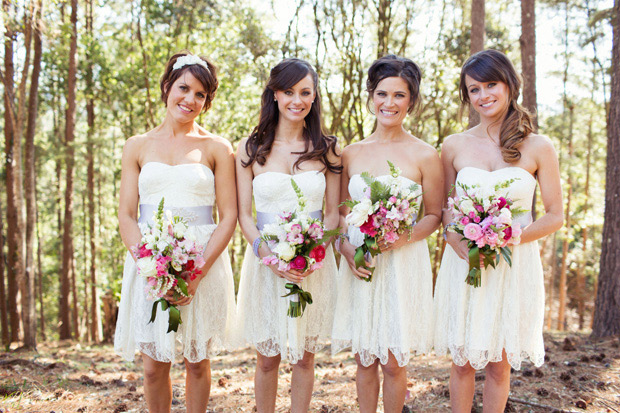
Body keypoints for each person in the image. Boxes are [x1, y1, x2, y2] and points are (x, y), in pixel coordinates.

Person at [433, 49, 563, 412]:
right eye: (474, 89)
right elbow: (445, 208)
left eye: (491, 85)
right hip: (465, 263)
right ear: (467, 96)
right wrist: (454, 236)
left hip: (513, 264)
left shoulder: (539, 146)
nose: (483, 95)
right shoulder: (454, 145)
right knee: (461, 361)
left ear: (509, 86)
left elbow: (555, 215)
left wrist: (510, 237)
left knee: (498, 363)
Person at [115, 52, 237, 413]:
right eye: (184, 88)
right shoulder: (137, 145)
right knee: (153, 367)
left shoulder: (217, 147)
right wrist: (150, 267)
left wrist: (196, 272)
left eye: (201, 94)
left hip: (201, 260)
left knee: (197, 360)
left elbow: (228, 215)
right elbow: (126, 214)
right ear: (167, 86)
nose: (190, 99)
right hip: (151, 261)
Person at [332, 54, 443, 413]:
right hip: (362, 263)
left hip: (403, 263)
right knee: (365, 360)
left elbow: (434, 215)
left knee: (394, 362)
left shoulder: (426, 154)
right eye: (382, 94)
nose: (389, 103)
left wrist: (401, 237)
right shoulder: (350, 153)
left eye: (399, 95)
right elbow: (340, 213)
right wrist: (345, 248)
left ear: (411, 100)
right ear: (371, 96)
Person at [235, 58, 341, 413]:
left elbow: (331, 214)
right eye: (289, 91)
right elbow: (244, 217)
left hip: (313, 265)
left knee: (304, 359)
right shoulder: (250, 149)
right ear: (275, 95)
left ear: (314, 97)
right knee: (267, 359)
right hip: (266, 265)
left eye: (305, 92)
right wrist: (268, 256)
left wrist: (312, 253)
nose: (298, 100)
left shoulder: (327, 149)